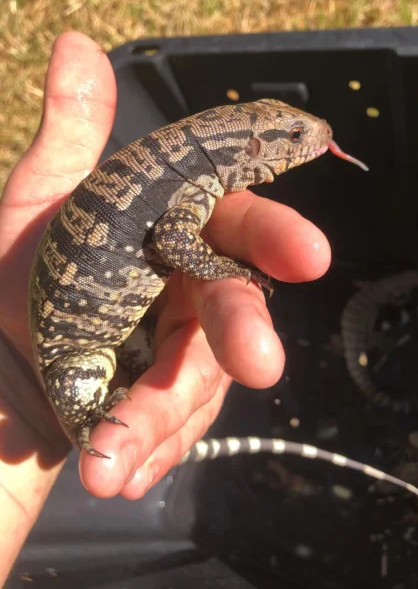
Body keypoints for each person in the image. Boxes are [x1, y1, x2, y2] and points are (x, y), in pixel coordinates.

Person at [0, 31, 331, 584]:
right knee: (92, 384)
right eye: (293, 136)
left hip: (90, 331)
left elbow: (175, 242)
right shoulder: (192, 181)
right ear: (250, 147)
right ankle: (87, 417)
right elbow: (176, 245)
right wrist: (226, 268)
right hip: (73, 348)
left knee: (148, 361)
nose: (312, 137)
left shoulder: (187, 171)